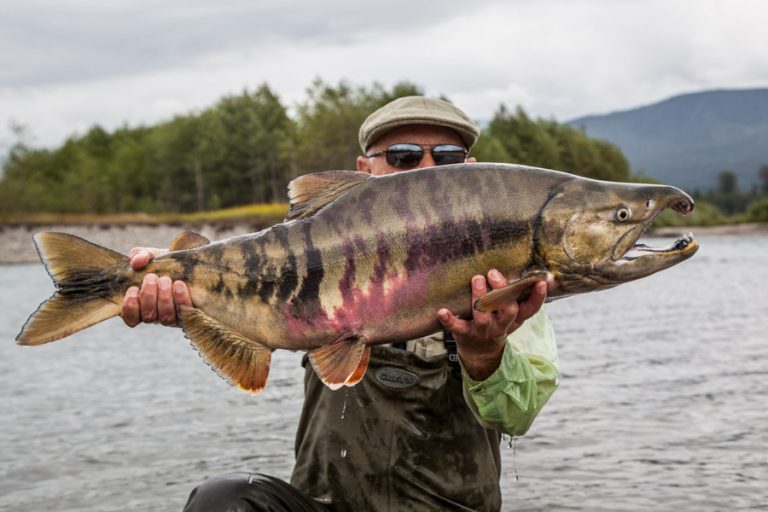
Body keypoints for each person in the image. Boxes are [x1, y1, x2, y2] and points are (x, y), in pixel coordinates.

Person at [121, 96, 559, 511]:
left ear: (471, 170)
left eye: (445, 156)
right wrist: (165, 277)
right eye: (403, 156)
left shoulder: (508, 285)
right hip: (322, 504)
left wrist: (485, 355)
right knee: (224, 499)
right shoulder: (309, 258)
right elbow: (235, 281)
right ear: (363, 171)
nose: (425, 168)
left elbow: (517, 415)